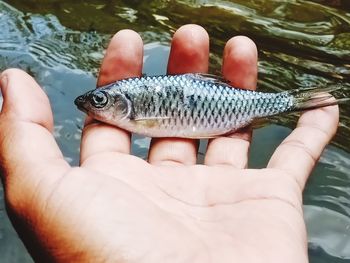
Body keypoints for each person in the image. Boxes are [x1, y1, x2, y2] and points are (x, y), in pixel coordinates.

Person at [0, 24, 338, 263]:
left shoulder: (134, 108)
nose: (92, 106)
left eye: (100, 102)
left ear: (121, 104)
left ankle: (296, 100)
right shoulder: (130, 104)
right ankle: (296, 99)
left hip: (223, 111)